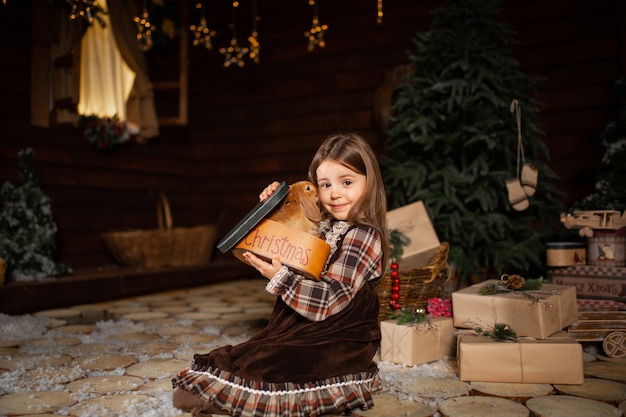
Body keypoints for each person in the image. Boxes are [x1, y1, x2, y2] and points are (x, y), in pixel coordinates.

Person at [172, 132, 390, 417]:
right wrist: (277, 202)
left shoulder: (363, 235)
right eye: (325, 184)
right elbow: (286, 235)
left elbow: (331, 299)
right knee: (252, 352)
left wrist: (282, 279)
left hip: (338, 338)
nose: (335, 193)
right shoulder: (325, 226)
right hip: (300, 325)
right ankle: (232, 388)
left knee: (275, 364)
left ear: (369, 183)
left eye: (347, 182)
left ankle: (240, 399)